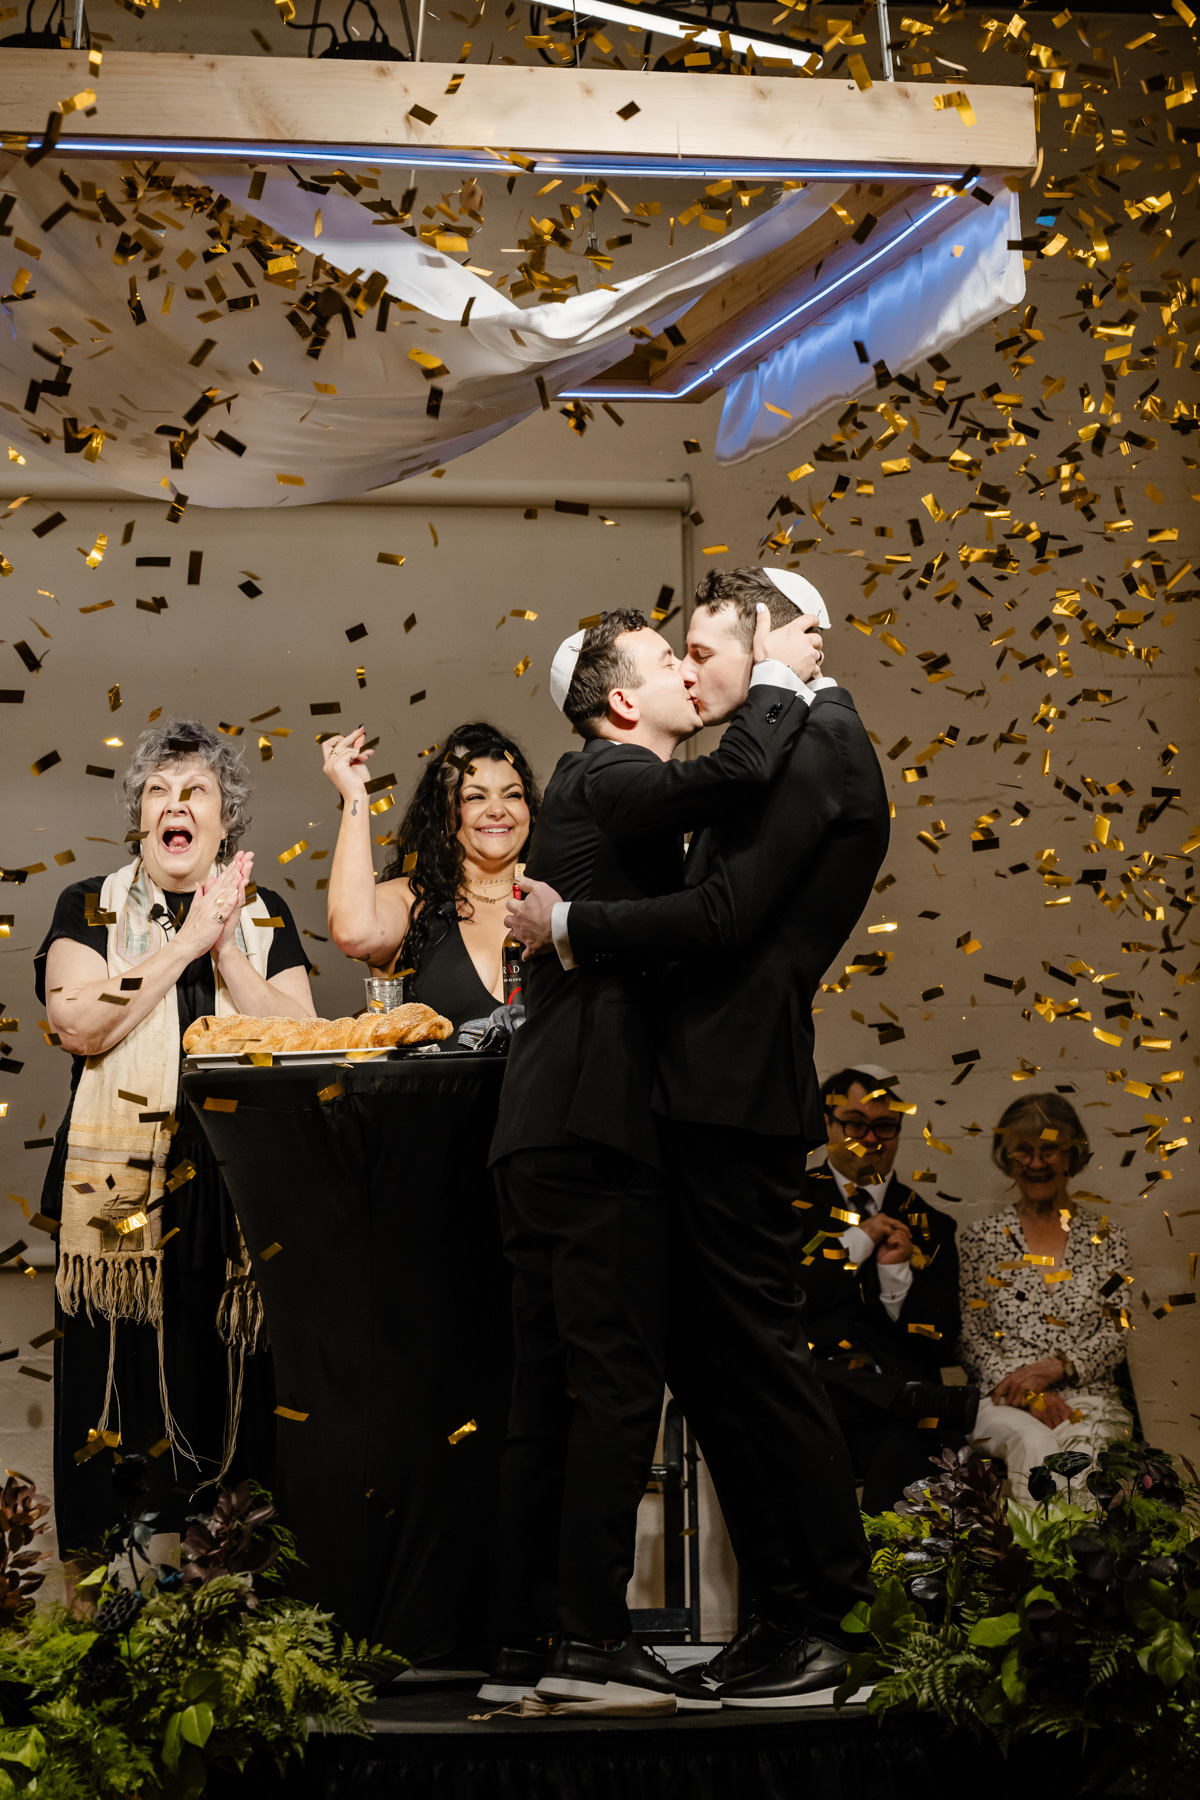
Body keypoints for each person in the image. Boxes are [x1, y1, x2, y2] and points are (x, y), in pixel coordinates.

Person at [507, 565, 889, 1709]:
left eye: (710, 651)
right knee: (722, 1371)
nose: (694, 669)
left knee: (760, 1364)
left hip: (734, 1091)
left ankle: (823, 1612)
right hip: (702, 1095)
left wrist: (572, 925)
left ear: (782, 644)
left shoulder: (815, 741)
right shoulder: (754, 746)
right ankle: (783, 1612)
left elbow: (726, 918)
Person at [36, 719, 315, 1556]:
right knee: (118, 1400)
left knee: (226, 1396)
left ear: (224, 820)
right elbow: (75, 1020)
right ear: (140, 820)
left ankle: (230, 1595)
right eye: (157, 790)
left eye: (194, 790)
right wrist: (186, 940)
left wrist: (227, 953)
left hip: (235, 1199)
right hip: (120, 1207)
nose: (173, 804)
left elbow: (303, 1036)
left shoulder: (265, 914)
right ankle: (116, 1593)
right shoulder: (87, 904)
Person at [798, 1066, 977, 1514]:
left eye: (884, 1127)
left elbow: (939, 1342)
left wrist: (897, 1280)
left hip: (894, 1418)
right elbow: (784, 1304)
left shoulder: (931, 1224)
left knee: (902, 1447)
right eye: (856, 1123)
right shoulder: (787, 1205)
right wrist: (855, 1245)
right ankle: (902, 1397)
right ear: (826, 1124)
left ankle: (885, 1582)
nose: (871, 1138)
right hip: (814, 1404)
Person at [958, 1094, 1134, 1503]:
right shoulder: (981, 1239)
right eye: (1023, 1150)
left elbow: (1115, 1333)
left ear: (1072, 1154)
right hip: (1001, 1401)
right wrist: (1029, 1392)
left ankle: (1061, 1562)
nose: (1036, 1163)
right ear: (1007, 1157)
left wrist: (1058, 1368)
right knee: (1033, 1444)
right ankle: (1051, 1564)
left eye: (1050, 1149)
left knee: (1082, 1453)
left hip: (1090, 1397)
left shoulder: (1107, 1238)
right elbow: (970, 1340)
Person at [321, 721, 539, 1029]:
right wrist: (356, 795)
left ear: (529, 808)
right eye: (476, 797)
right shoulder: (410, 899)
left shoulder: (556, 903)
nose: (497, 810)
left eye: (513, 795)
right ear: (446, 811)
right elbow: (353, 935)